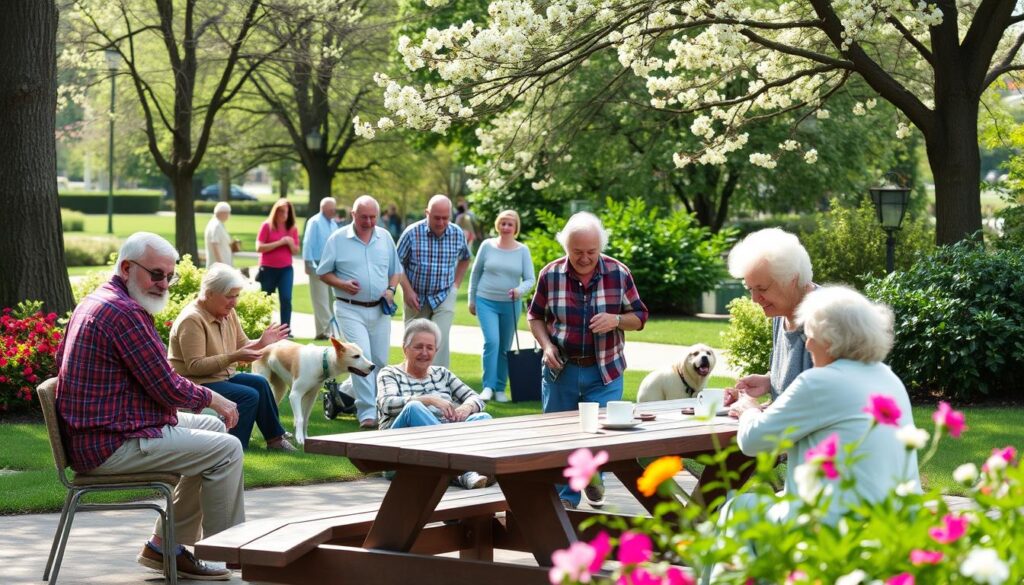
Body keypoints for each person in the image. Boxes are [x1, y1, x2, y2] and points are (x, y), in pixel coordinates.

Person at [55, 232, 242, 581]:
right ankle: (229, 552)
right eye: (156, 274)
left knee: (215, 428)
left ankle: (165, 546)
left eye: (170, 276)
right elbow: (167, 386)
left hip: (106, 431)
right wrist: (214, 398)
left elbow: (150, 382)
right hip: (109, 444)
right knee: (227, 450)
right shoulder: (123, 313)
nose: (164, 284)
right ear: (127, 268)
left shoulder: (96, 300)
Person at [720, 287, 917, 556]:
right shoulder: (888, 378)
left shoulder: (819, 381)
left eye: (811, 335)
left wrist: (748, 409)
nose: (808, 344)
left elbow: (753, 441)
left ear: (831, 340)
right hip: (895, 520)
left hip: (834, 527)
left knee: (736, 509)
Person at [527, 212, 648, 509]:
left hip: (604, 370)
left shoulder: (618, 273)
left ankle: (592, 477)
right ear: (566, 247)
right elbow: (535, 316)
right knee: (560, 436)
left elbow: (640, 316)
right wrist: (546, 346)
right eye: (577, 252)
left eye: (591, 252)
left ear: (600, 246)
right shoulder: (550, 274)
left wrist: (616, 320)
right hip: (561, 369)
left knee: (598, 434)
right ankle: (566, 500)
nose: (584, 258)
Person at [168, 263, 295, 450]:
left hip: (218, 377)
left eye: (236, 295)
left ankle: (275, 440)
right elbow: (195, 366)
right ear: (209, 293)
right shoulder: (192, 319)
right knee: (248, 395)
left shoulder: (227, 312)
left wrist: (262, 342)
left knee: (260, 383)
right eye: (229, 296)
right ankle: (233, 446)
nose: (234, 302)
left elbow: (242, 345)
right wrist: (233, 357)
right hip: (193, 383)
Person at [317, 195, 402, 429]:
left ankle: (346, 395)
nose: (369, 222)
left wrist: (391, 290)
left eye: (373, 217)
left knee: (380, 361)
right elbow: (323, 272)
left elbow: (396, 271)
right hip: (349, 308)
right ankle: (367, 412)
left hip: (379, 309)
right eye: (364, 217)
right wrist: (342, 284)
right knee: (361, 358)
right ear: (353, 215)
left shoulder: (384, 237)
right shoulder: (337, 239)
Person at [376, 319, 491, 489]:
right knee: (414, 408)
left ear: (436, 351)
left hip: (439, 446)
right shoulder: (389, 373)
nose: (424, 352)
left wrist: (466, 408)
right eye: (418, 347)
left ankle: (461, 470)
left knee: (482, 418)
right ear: (405, 348)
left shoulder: (442, 374)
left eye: (429, 348)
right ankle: (463, 471)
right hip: (398, 454)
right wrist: (429, 399)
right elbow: (387, 404)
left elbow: (476, 398)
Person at [723, 228, 817, 406]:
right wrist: (770, 382)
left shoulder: (826, 320)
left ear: (792, 280)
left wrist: (752, 413)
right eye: (750, 289)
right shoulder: (781, 312)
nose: (754, 299)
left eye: (762, 289)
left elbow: (818, 407)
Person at [468, 209, 535, 402]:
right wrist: (472, 299)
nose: (506, 227)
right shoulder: (487, 246)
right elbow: (475, 273)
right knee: (492, 342)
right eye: (503, 223)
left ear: (515, 228)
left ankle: (500, 388)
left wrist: (519, 290)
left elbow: (530, 279)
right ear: (498, 225)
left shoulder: (523, 250)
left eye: (510, 224)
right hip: (485, 300)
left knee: (505, 347)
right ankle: (488, 387)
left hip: (510, 305)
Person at [397, 194, 471, 368]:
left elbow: (465, 258)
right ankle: (413, 378)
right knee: (415, 341)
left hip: (444, 294)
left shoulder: (457, 233)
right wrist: (407, 290)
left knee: (439, 340)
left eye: (445, 218)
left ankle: (438, 380)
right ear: (427, 213)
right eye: (437, 218)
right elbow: (396, 263)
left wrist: (455, 286)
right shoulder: (411, 233)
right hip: (416, 296)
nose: (441, 222)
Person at [257, 199, 299, 330]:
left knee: (286, 298)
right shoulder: (266, 226)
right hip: (268, 269)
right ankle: (264, 329)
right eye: (281, 211)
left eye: (286, 212)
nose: (283, 214)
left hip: (286, 269)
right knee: (266, 300)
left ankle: (285, 330)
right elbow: (259, 247)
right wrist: (280, 243)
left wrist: (290, 243)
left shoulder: (292, 228)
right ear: (275, 211)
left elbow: (296, 251)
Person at [302, 197, 340, 340]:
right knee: (320, 299)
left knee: (331, 299)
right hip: (317, 264)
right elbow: (308, 243)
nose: (334, 211)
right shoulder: (315, 222)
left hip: (332, 265)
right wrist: (308, 264)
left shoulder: (333, 224)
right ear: (324, 208)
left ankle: (327, 331)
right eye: (331, 209)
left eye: (334, 209)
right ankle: (326, 331)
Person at [204, 201, 237, 267]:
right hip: (219, 267)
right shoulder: (216, 225)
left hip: (220, 266)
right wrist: (221, 265)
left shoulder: (217, 223)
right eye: (228, 213)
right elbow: (214, 245)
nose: (229, 215)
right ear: (222, 213)